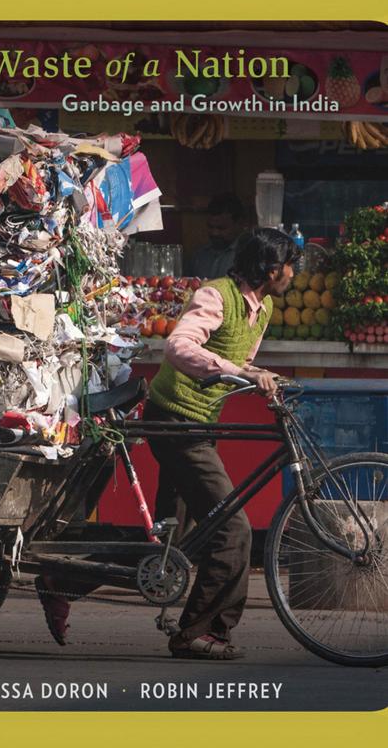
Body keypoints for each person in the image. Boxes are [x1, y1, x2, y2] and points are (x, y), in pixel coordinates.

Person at [143, 227, 301, 660]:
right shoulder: (217, 295)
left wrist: (258, 379)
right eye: (290, 265)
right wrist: (243, 372)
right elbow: (179, 345)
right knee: (233, 530)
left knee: (166, 540)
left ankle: (60, 581)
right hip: (175, 422)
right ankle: (199, 632)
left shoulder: (262, 308)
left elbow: (240, 362)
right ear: (272, 269)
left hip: (198, 424)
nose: (293, 274)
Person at [190, 193, 247, 279]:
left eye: (221, 228)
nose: (214, 233)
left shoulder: (247, 256)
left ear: (239, 224)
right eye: (210, 227)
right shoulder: (199, 256)